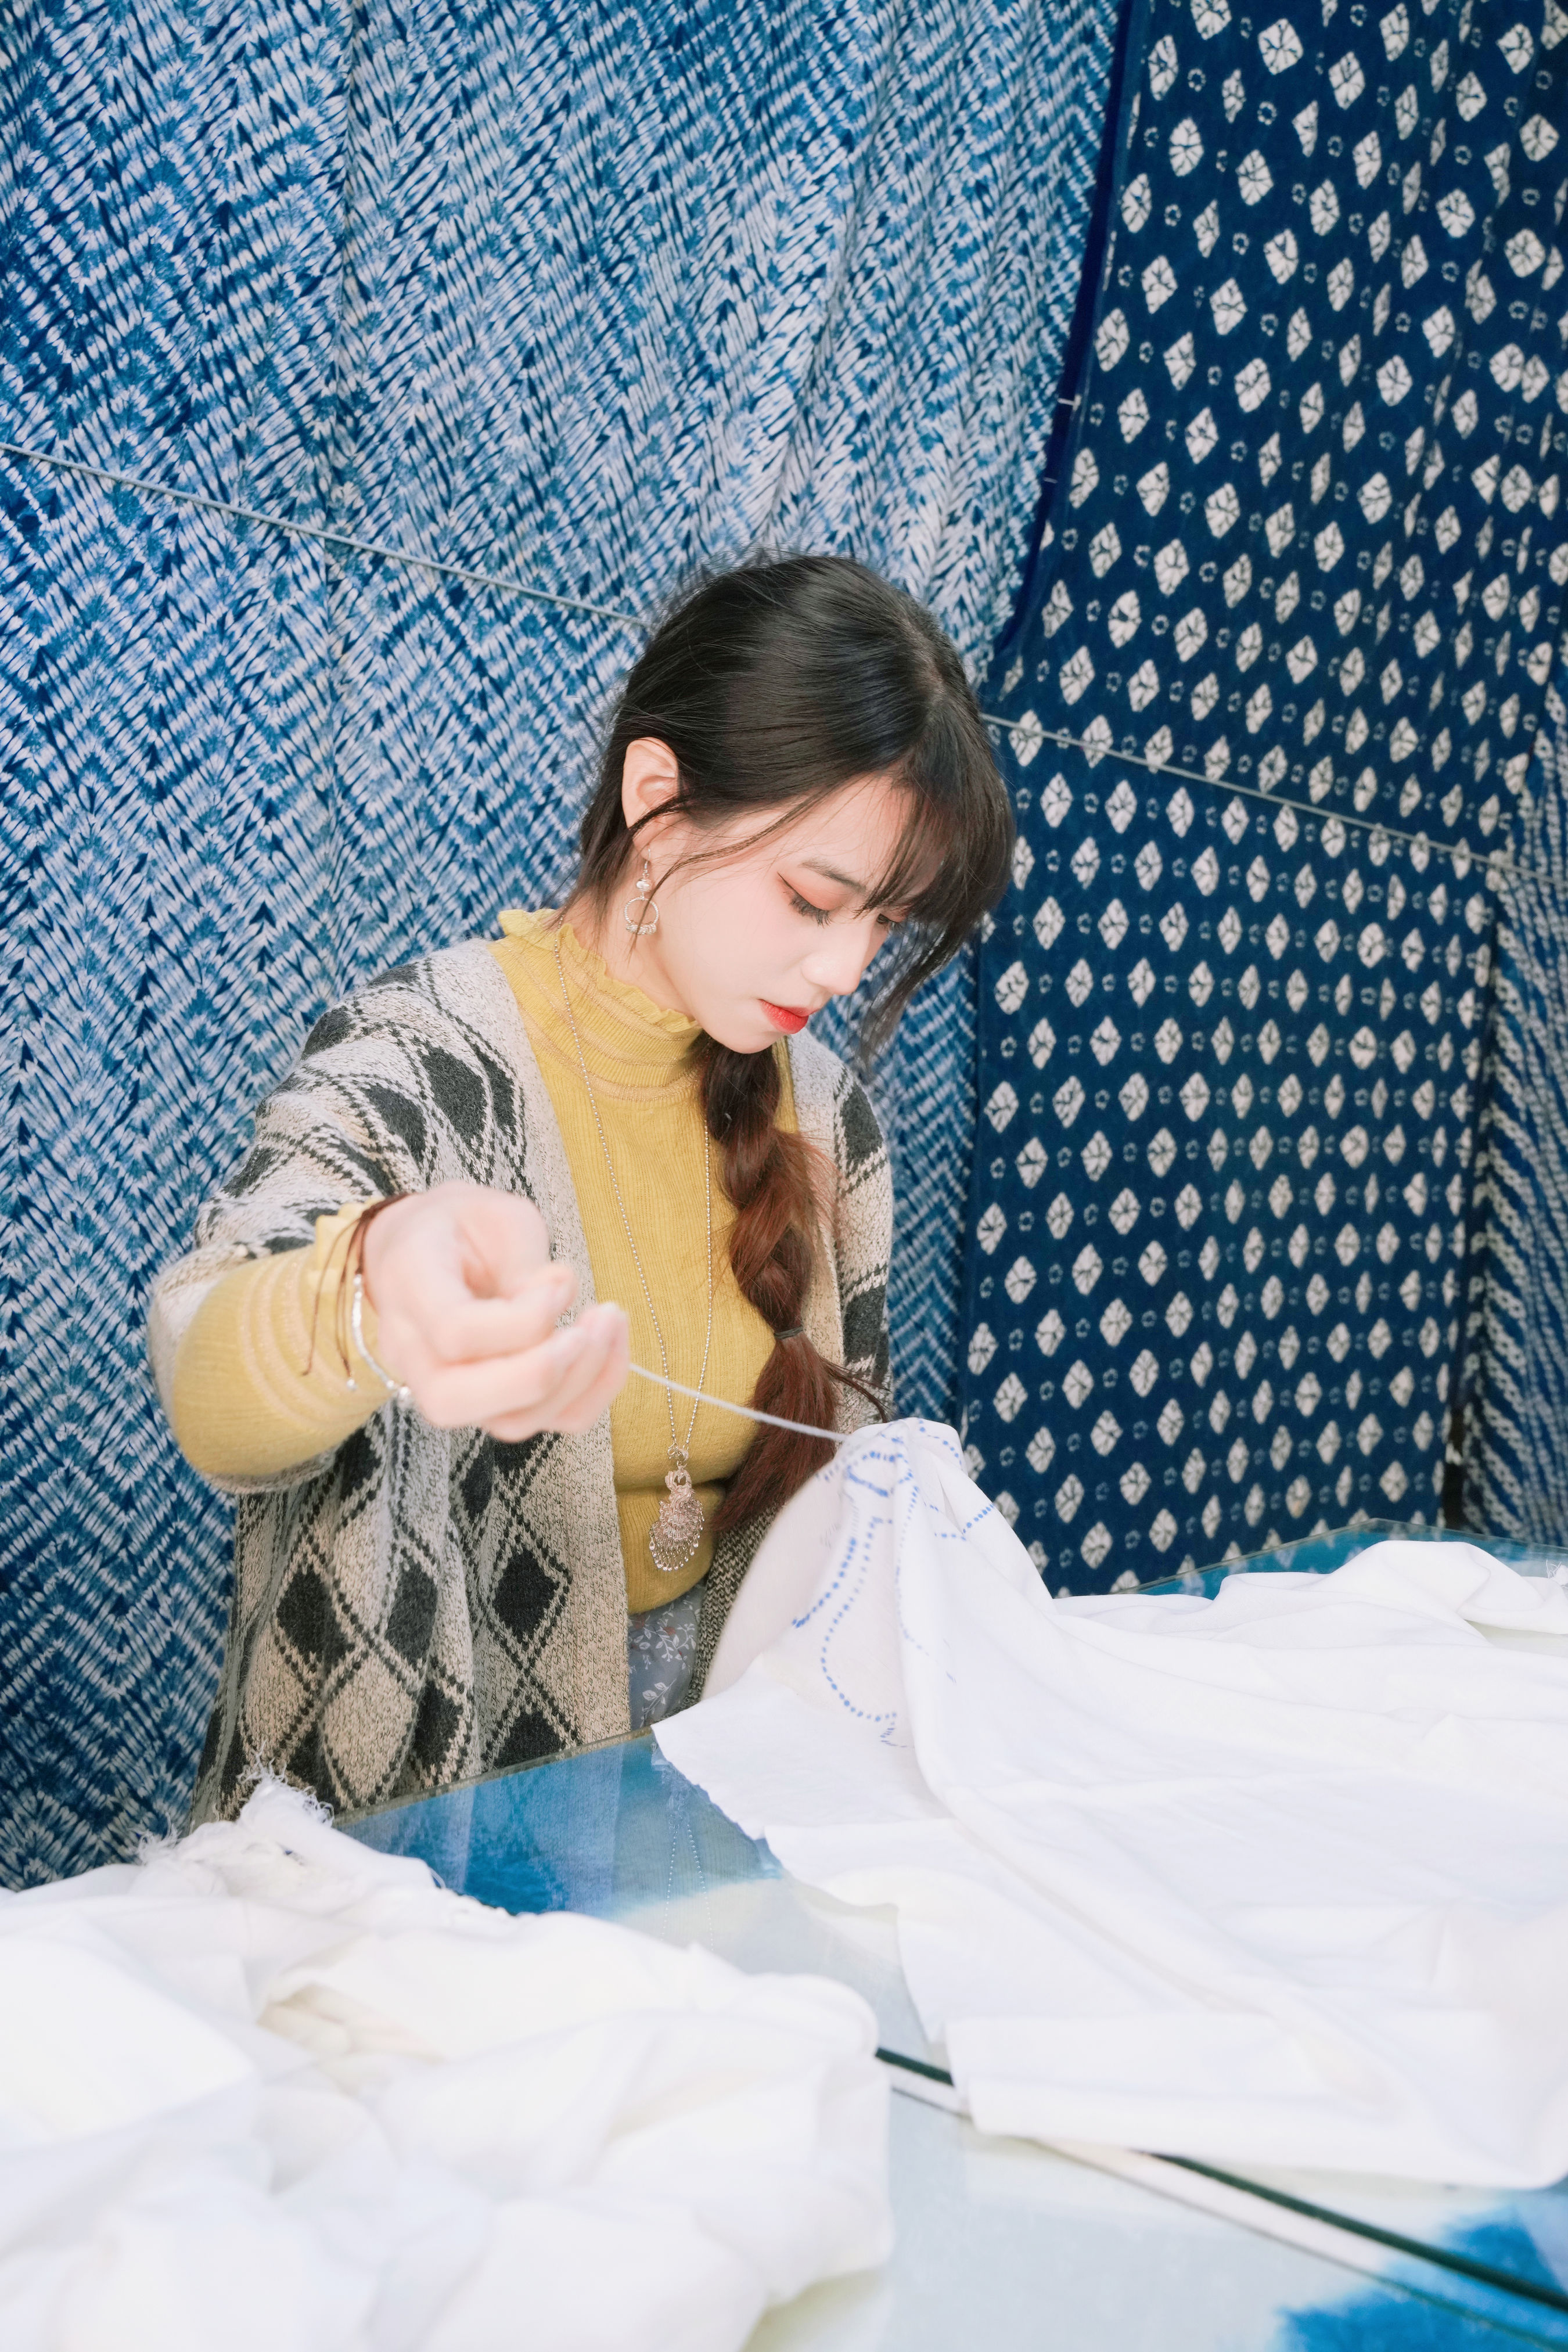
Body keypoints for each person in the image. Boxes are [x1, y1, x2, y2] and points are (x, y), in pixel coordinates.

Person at [150, 555, 1012, 1823]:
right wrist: (370, 1291)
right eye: (812, 899)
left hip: (724, 1813)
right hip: (413, 1852)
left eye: (884, 925)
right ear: (657, 800)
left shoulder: (827, 1117)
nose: (841, 964)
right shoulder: (419, 1060)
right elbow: (205, 1380)